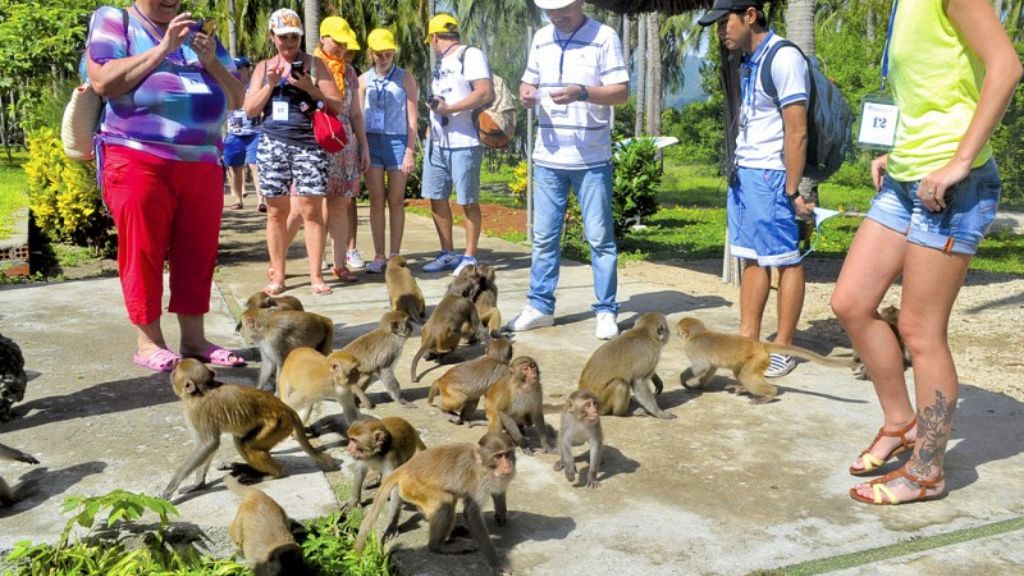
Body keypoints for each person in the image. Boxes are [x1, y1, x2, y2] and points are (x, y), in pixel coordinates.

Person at [830, 0, 1021, 505]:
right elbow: (936, 91)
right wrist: (899, 151)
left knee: (920, 329)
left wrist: (959, 161)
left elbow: (1006, 67)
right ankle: (900, 420)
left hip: (951, 186)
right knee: (850, 302)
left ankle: (928, 471)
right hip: (904, 179)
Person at [84, 0, 245, 371]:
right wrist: (163, 49)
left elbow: (238, 100)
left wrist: (212, 62)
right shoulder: (114, 20)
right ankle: (149, 342)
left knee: (197, 252)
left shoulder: (197, 27)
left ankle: (195, 339)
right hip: (138, 156)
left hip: (202, 160)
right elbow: (104, 81)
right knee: (144, 250)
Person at [698, 0, 812, 375]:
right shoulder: (748, 60)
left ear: (750, 15)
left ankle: (784, 345)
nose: (721, 31)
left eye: (725, 22)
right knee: (750, 256)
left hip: (771, 177)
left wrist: (793, 190)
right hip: (745, 173)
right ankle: (748, 340)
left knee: (784, 259)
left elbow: (797, 131)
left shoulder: (783, 59)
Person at [508, 0, 629, 340]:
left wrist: (583, 93)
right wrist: (527, 95)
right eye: (551, 11)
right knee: (544, 238)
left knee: (600, 239)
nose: (557, 17)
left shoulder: (604, 37)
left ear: (581, 3)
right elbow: (526, 83)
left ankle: (606, 310)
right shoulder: (542, 38)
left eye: (564, 10)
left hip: (591, 158)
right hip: (548, 155)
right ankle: (540, 306)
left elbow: (622, 92)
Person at [244, 8, 343, 296]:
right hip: (274, 142)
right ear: (272, 37)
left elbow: (336, 104)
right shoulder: (264, 67)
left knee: (312, 210)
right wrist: (270, 86)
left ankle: (315, 276)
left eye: (294, 37)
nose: (289, 43)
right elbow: (250, 109)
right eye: (284, 37)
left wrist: (311, 88)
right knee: (276, 211)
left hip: (309, 143)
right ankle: (279, 275)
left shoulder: (315, 64)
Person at [421, 13, 494, 276]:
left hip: (466, 141)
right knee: (436, 197)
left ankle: (469, 256)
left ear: (434, 37)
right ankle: (447, 253)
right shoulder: (441, 62)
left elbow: (485, 92)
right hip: (438, 142)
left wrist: (450, 109)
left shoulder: (470, 55)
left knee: (467, 200)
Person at [358, 28, 419, 274]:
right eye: (379, 54)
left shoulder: (405, 78)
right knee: (376, 200)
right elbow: (358, 116)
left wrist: (410, 150)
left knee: (395, 200)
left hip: (397, 141)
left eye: (388, 53)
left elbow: (413, 117)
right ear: (371, 54)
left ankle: (395, 254)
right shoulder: (363, 80)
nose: (384, 58)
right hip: (372, 142)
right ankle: (379, 254)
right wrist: (362, 147)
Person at [316, 16, 369, 283]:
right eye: (336, 41)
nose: (340, 47)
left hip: (345, 142)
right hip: (315, 141)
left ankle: (339, 262)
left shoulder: (349, 72)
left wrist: (364, 147)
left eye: (344, 43)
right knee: (306, 206)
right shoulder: (311, 67)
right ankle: (308, 264)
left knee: (340, 203)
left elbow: (356, 113)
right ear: (322, 38)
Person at [223, 56, 262, 211]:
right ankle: (238, 199)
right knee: (235, 167)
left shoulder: (255, 86)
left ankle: (261, 201)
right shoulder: (227, 87)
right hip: (234, 133)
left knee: (255, 165)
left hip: (255, 132)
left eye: (239, 68)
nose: (236, 71)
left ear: (247, 69)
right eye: (234, 68)